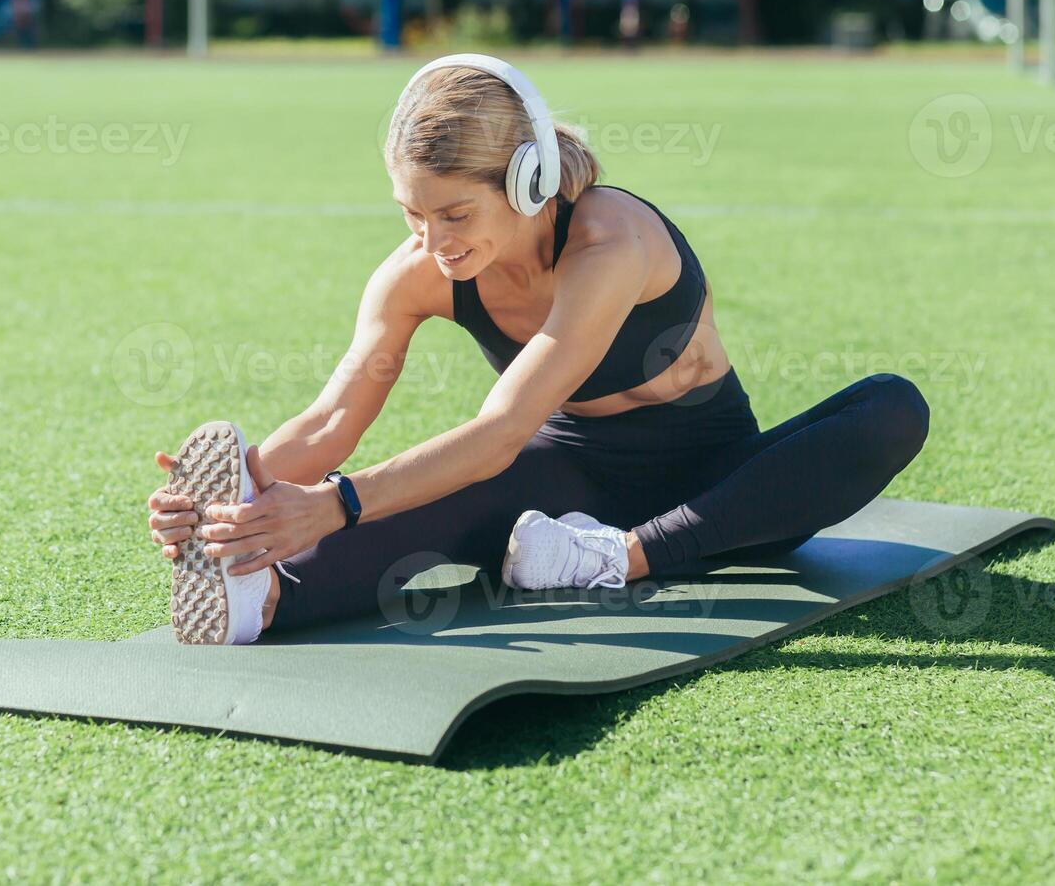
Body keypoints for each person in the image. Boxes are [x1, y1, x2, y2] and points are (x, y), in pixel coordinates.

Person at [146, 54, 929, 645]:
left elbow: (500, 428)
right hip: (564, 478)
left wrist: (335, 502)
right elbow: (331, 422)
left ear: (527, 180)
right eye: (413, 215)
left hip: (718, 485)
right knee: (444, 497)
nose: (434, 242)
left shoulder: (610, 241)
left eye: (455, 214)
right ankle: (266, 600)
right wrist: (236, 499)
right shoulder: (415, 273)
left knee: (894, 408)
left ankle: (617, 558)